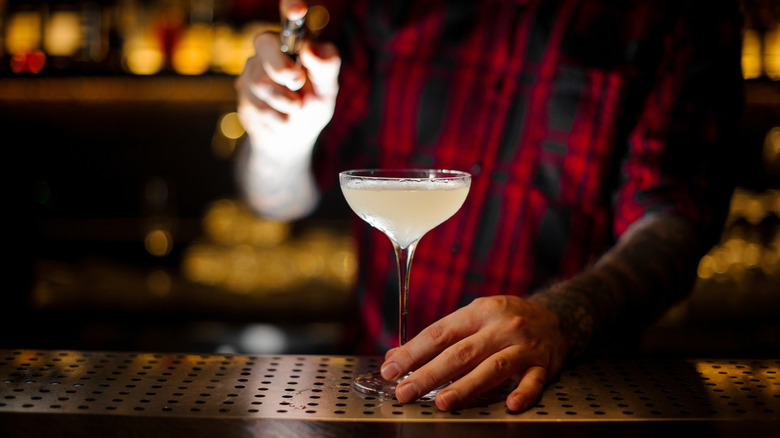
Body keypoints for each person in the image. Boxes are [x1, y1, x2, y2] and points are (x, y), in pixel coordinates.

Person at [234, 0, 743, 413]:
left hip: (556, 397)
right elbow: (276, 201)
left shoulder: (674, 15)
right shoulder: (383, 9)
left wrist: (561, 318)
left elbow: (676, 222)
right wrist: (281, 142)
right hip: (378, 393)